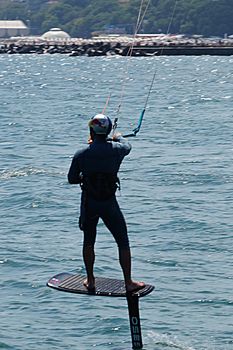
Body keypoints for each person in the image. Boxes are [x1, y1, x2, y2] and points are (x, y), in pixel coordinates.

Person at [68, 113, 145, 293]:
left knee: (89, 241)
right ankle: (128, 282)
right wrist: (118, 137)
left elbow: (71, 179)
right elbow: (127, 146)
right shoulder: (117, 150)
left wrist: (85, 176)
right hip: (109, 203)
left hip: (89, 203)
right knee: (122, 241)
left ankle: (90, 279)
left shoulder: (81, 153)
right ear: (108, 130)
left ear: (91, 131)